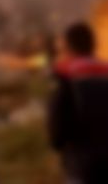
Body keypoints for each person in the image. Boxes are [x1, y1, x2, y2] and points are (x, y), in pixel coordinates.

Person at [49, 22, 108, 183]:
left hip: (81, 167)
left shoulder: (66, 77)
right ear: (93, 45)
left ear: (68, 47)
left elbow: (57, 133)